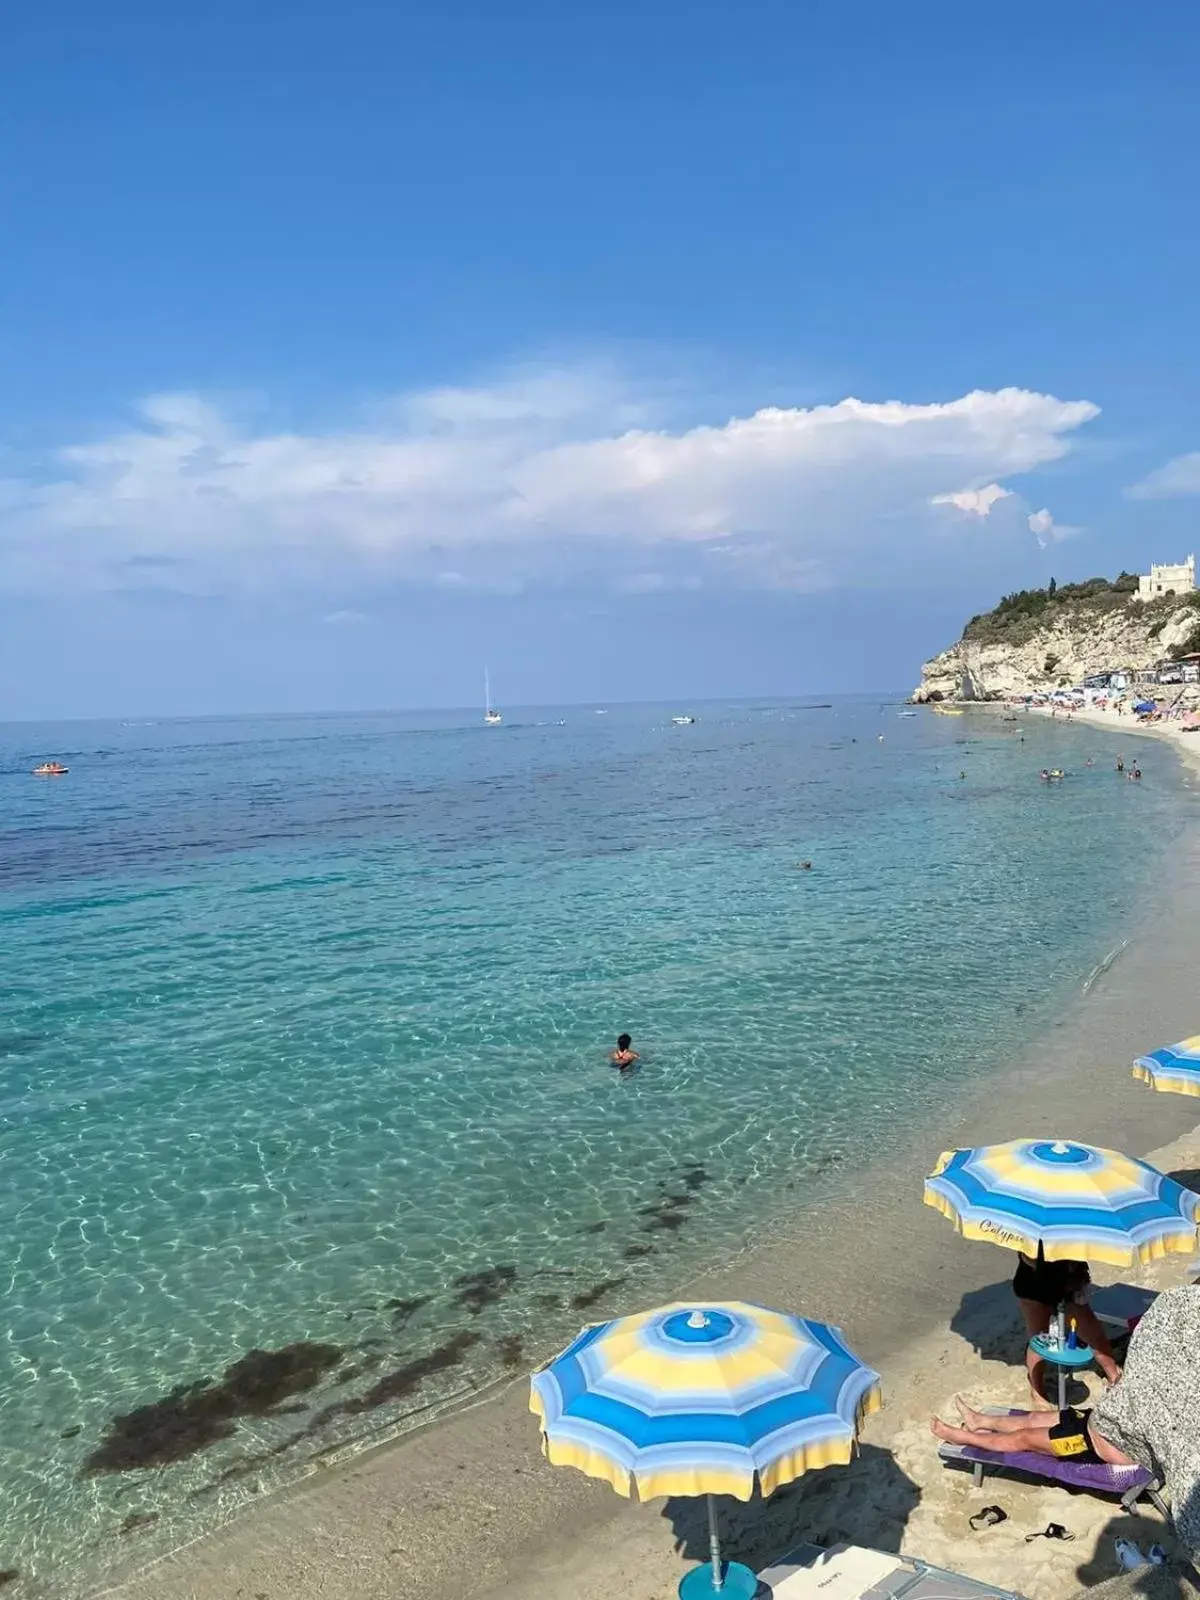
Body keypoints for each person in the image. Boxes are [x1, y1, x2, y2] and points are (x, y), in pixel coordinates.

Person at [1012, 1246, 1121, 1400]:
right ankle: (1037, 1390)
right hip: (1038, 1280)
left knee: (1089, 1333)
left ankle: (1113, 1374)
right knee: (1039, 1339)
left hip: (1059, 1279)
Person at [931, 1396, 1134, 1467]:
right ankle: (978, 1420)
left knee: (1024, 1438)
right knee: (1033, 1419)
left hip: (1088, 1443)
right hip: (1094, 1419)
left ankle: (963, 1437)